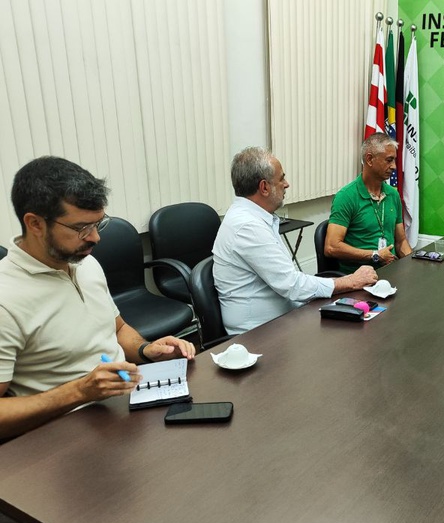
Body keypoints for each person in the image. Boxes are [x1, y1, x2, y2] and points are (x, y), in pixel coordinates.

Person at [0, 157, 195, 440]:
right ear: (35, 224)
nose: (95, 238)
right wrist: (79, 391)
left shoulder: (84, 262)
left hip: (124, 410)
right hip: (64, 437)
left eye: (98, 224)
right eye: (81, 228)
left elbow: (117, 329)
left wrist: (146, 350)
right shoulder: (6, 298)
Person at [213, 147, 378, 334]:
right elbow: (292, 285)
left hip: (284, 318)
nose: (286, 184)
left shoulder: (255, 217)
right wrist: (351, 281)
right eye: (281, 178)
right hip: (258, 335)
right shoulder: (247, 226)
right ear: (264, 187)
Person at [325, 133, 412, 274]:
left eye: (394, 160)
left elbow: (401, 241)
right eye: (389, 160)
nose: (394, 166)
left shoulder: (393, 194)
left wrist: (413, 267)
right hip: (359, 277)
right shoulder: (346, 196)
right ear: (370, 159)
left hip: (391, 272)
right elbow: (331, 247)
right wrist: (375, 255)